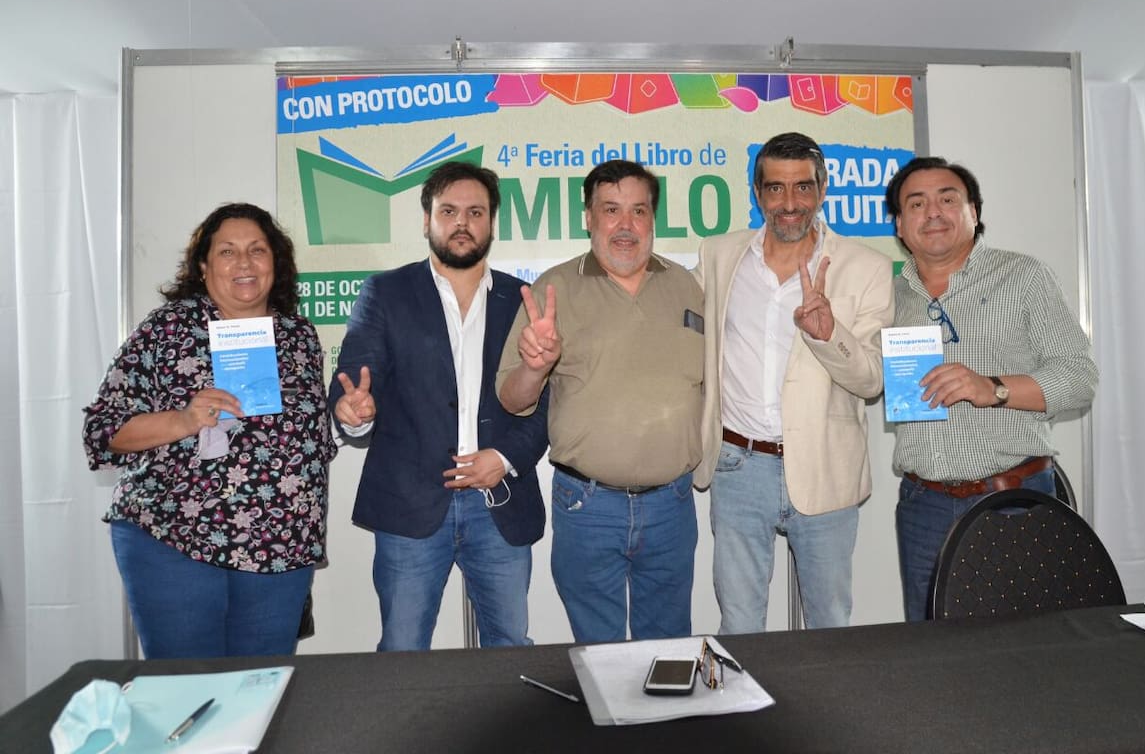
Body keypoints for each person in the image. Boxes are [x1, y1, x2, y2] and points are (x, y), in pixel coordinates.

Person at [82, 203, 337, 658]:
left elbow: (307, 440)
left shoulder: (300, 337)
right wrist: (183, 420)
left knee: (260, 693)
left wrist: (349, 413)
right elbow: (103, 430)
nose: (244, 263)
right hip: (175, 539)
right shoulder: (166, 330)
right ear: (203, 267)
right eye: (227, 252)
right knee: (187, 693)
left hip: (281, 550)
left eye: (258, 250)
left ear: (275, 263)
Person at [328, 160, 548, 651]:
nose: (462, 222)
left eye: (475, 211)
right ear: (426, 219)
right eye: (448, 211)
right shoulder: (385, 293)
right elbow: (355, 379)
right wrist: (353, 410)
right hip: (410, 504)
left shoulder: (524, 299)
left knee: (509, 644)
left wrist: (506, 458)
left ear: (492, 222)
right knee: (403, 648)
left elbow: (550, 401)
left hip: (500, 502)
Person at [694, 133, 894, 632]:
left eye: (803, 188)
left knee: (829, 620)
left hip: (826, 464)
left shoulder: (866, 267)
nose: (789, 204)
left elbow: (871, 381)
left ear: (822, 190)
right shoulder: (719, 255)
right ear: (758, 194)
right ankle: (744, 713)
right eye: (776, 189)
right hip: (737, 466)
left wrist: (829, 335)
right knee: (739, 623)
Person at [497, 159, 704, 644]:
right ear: (588, 217)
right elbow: (511, 399)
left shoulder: (686, 285)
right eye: (611, 210)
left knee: (670, 649)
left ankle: (667, 724)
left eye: (639, 211)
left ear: (654, 218)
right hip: (588, 506)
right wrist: (534, 366)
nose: (626, 225)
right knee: (599, 652)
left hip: (673, 504)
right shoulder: (553, 289)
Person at [886, 156, 1098, 621]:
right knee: (930, 648)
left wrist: (995, 388)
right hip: (922, 506)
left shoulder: (1023, 277)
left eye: (948, 198)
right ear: (900, 225)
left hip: (1010, 500)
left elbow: (1080, 380)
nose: (933, 212)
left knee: (1019, 649)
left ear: (974, 212)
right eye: (916, 203)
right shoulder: (891, 293)